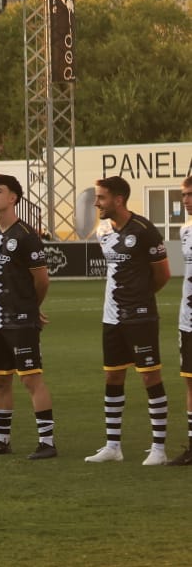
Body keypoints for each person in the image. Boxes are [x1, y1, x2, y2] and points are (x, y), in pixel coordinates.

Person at [85, 176, 171, 464]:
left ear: (118, 199)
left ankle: (158, 448)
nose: (96, 202)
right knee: (113, 375)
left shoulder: (145, 230)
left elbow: (162, 275)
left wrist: (141, 299)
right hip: (112, 317)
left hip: (141, 316)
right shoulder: (103, 230)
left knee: (149, 376)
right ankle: (113, 446)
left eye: (101, 197)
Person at [0, 174, 57, 458]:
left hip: (20, 320)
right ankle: (1, 440)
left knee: (31, 379)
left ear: (13, 198)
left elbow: (42, 279)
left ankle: (47, 442)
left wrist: (31, 308)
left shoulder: (26, 235)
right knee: (0, 380)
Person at [175, 175, 192, 465]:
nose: (186, 199)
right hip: (187, 321)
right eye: (184, 195)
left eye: (190, 194)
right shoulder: (185, 231)